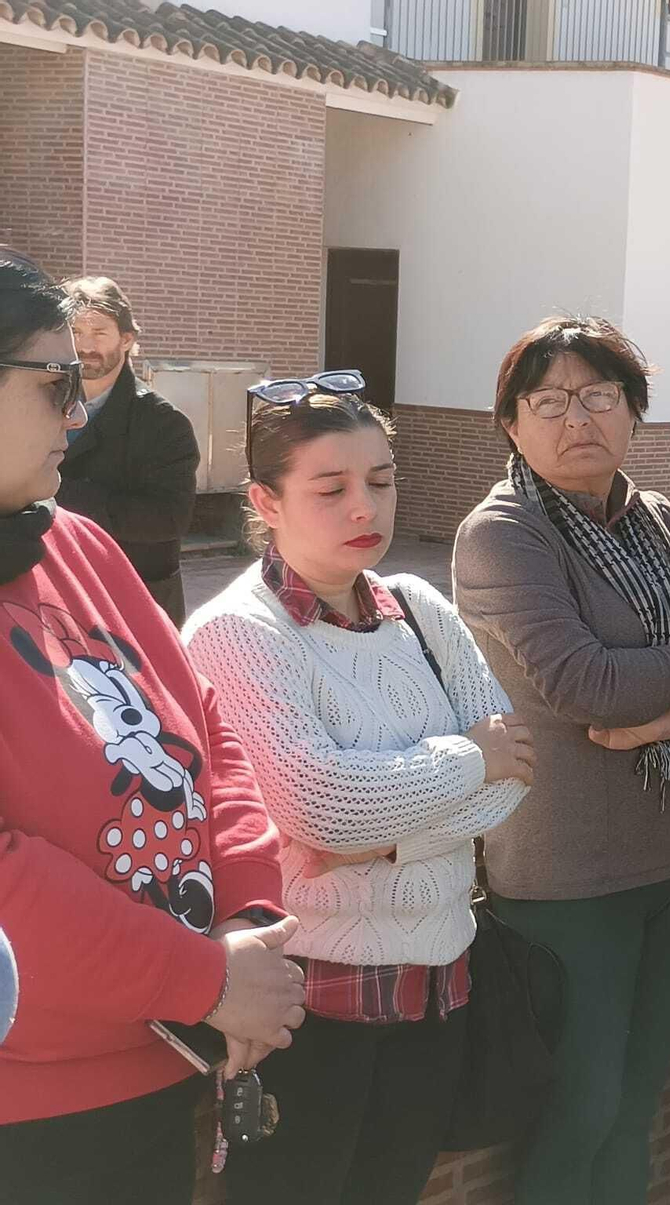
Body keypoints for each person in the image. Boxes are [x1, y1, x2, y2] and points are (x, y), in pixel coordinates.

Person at [182, 374, 535, 1204]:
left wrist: (375, 830)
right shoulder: (238, 631)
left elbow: (515, 768)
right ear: (265, 502)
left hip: (439, 986)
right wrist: (463, 760)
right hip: (310, 1001)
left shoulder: (417, 607)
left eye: (380, 481)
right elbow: (318, 806)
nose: (363, 508)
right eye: (330, 488)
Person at [0, 251, 304, 1202]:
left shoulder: (74, 539)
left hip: (166, 1057)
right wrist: (204, 977)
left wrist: (247, 923)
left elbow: (202, 727)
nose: (80, 413)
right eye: (57, 384)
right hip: (30, 1113)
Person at [453, 316, 670, 1205]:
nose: (575, 418)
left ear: (633, 412)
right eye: (547, 401)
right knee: (579, 1107)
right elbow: (587, 685)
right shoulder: (502, 534)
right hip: (566, 874)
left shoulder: (655, 517)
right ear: (511, 423)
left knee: (635, 1105)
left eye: (598, 396)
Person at [57, 276, 199, 626]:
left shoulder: (164, 422)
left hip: (135, 605)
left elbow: (170, 518)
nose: (85, 346)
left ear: (126, 339)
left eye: (99, 333)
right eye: (75, 333)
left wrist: (61, 495)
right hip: (57, 596)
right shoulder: (43, 402)